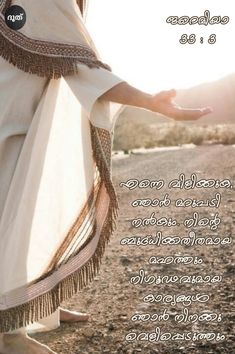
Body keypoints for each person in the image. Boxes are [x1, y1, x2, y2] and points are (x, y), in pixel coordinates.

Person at [0, 0, 212, 353]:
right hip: (11, 123)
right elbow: (84, 68)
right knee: (12, 215)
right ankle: (9, 333)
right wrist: (149, 101)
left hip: (26, 119)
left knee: (35, 209)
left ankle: (41, 308)